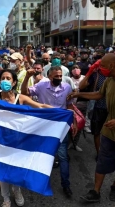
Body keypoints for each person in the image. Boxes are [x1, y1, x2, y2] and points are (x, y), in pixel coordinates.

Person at [68, 54, 115, 203]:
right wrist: (79, 93)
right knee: (103, 160)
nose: (99, 68)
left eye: (101, 65)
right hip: (109, 130)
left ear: (111, 66)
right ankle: (95, 191)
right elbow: (98, 94)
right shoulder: (109, 81)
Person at [0, 69, 55, 207]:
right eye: (3, 78)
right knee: (3, 170)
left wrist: (60, 111)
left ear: (14, 82)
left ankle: (17, 191)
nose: (5, 81)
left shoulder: (20, 98)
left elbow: (40, 106)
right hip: (1, 140)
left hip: (18, 140)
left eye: (8, 78)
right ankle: (5, 198)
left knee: (16, 168)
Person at [21, 66, 77, 199]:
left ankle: (66, 185)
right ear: (49, 76)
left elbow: (69, 106)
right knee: (39, 154)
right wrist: (27, 77)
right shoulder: (41, 86)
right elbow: (25, 93)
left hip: (61, 126)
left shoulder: (67, 87)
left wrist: (73, 121)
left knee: (63, 156)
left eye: (60, 76)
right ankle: (33, 181)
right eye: (56, 76)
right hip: (44, 125)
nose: (59, 78)